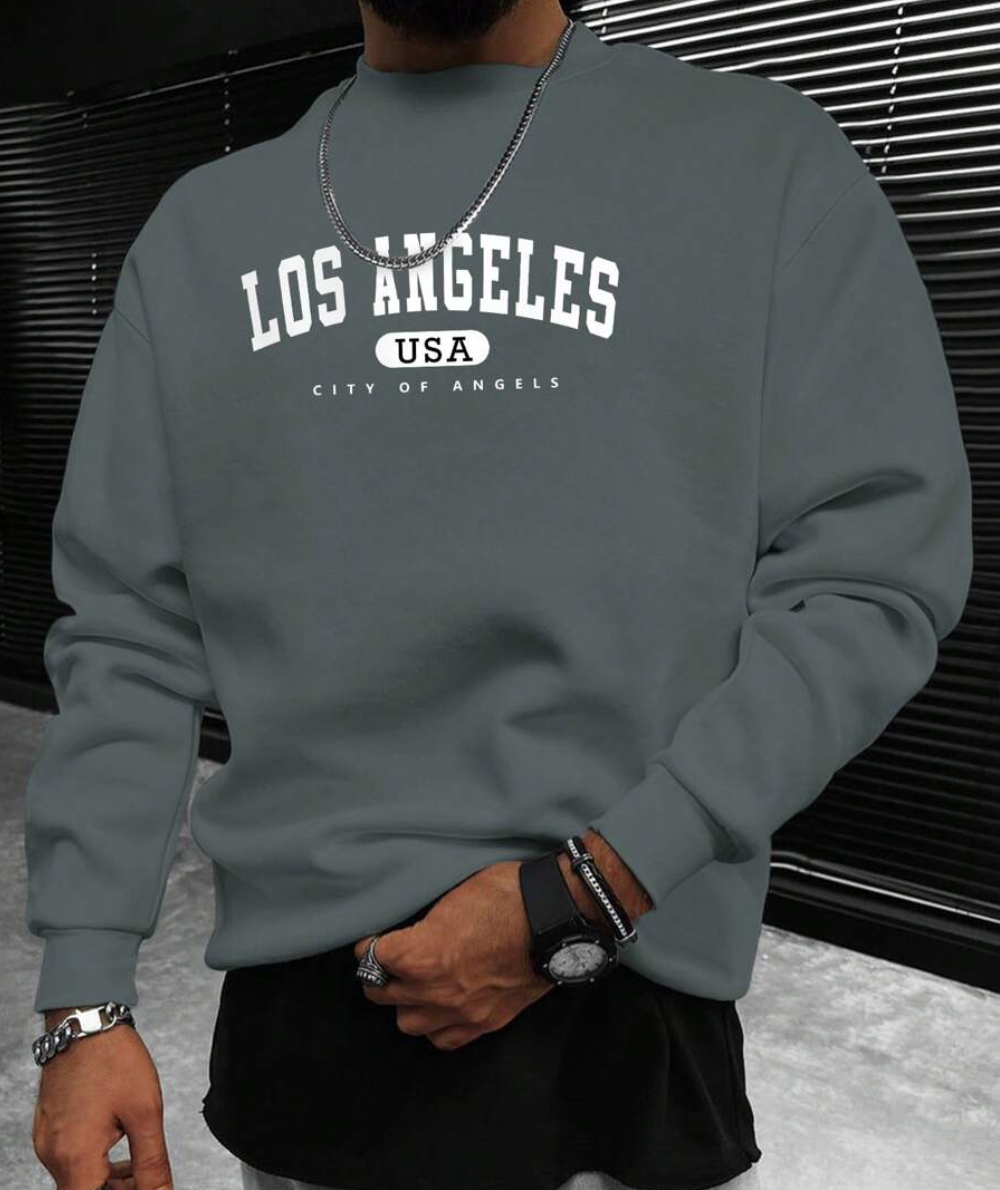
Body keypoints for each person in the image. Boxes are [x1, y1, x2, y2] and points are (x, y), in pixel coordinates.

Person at [25, 1, 973, 1188]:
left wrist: (587, 890)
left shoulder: (764, 164)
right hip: (310, 1015)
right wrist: (83, 996)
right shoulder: (202, 235)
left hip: (623, 982)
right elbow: (127, 631)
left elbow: (869, 575)